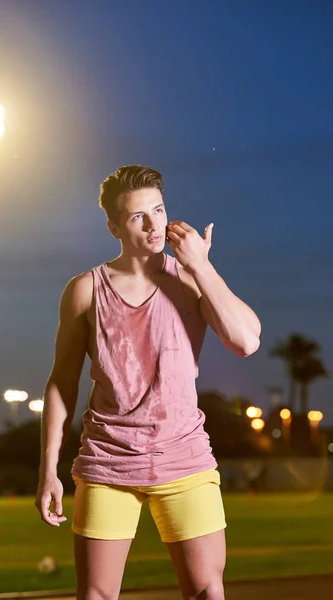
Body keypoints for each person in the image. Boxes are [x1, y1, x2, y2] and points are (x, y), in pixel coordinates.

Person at [35, 165, 261, 600]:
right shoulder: (85, 290)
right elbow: (61, 382)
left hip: (184, 458)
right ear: (114, 226)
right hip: (108, 462)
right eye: (139, 216)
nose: (155, 224)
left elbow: (246, 341)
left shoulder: (193, 279)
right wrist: (49, 469)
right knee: (96, 596)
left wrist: (201, 264)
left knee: (206, 592)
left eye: (159, 210)